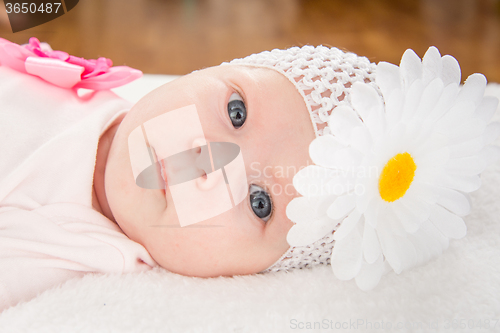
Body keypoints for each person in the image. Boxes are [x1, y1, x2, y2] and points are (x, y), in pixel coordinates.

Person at [0, 37, 497, 312]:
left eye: (261, 202)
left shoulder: (81, 246)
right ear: (210, 68)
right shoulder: (80, 88)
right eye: (236, 112)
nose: (209, 162)